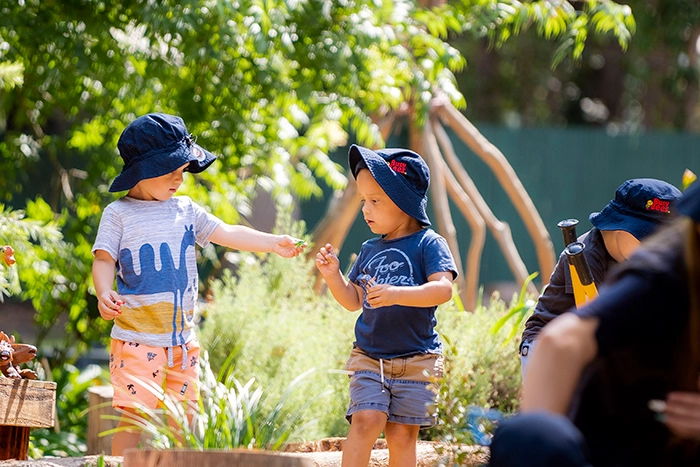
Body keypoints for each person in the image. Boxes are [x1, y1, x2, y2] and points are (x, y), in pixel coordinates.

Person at [91, 113, 306, 455]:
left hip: (182, 341)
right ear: (142, 170)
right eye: (171, 172)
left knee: (186, 418)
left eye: (183, 172)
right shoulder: (119, 214)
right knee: (135, 416)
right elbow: (103, 260)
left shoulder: (186, 210)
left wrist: (272, 242)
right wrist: (104, 293)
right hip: (136, 338)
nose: (179, 179)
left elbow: (229, 233)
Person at [489, 179, 700, 467]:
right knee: (560, 428)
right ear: (617, 226)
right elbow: (574, 333)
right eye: (645, 237)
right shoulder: (587, 254)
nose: (656, 248)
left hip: (600, 348)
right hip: (543, 342)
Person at [315, 145, 458, 467]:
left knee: (402, 436)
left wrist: (397, 294)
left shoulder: (429, 244)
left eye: (375, 201)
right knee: (366, 420)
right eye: (364, 200)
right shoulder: (369, 248)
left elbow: (443, 290)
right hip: (370, 357)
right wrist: (333, 275)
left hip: (418, 359)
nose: (366, 209)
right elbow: (354, 301)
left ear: (404, 203)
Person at [520, 179, 682, 375]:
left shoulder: (639, 263)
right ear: (621, 226)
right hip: (547, 348)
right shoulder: (585, 256)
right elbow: (601, 325)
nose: (655, 252)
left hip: (591, 347)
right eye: (648, 240)